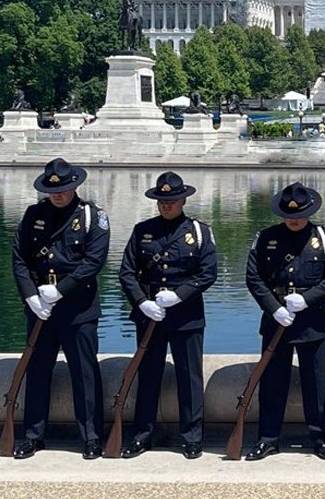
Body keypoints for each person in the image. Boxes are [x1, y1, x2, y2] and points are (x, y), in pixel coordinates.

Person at [11, 157, 110, 459]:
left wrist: (61, 290)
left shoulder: (93, 216)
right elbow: (19, 259)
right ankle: (33, 435)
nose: (58, 194)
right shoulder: (33, 215)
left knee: (85, 373)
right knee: (38, 370)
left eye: (64, 189)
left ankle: (92, 436)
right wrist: (30, 296)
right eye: (53, 190)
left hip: (78, 307)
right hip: (41, 307)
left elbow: (94, 262)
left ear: (75, 185)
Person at [117, 172, 218, 459]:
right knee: (148, 375)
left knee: (190, 377)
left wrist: (179, 294)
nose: (167, 205)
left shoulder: (199, 231)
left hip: (186, 315)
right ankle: (142, 434)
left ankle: (192, 436)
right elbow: (126, 272)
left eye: (172, 200)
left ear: (183, 199)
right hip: (150, 316)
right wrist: (140, 302)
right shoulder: (142, 230)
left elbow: (208, 272)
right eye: (162, 201)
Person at [244, 182, 325, 460]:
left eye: (300, 214)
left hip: (311, 321)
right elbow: (254, 278)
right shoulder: (266, 237)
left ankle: (320, 437)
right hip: (276, 320)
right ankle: (268, 438)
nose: (295, 219)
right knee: (272, 383)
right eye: (289, 215)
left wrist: (308, 299)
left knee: (316, 384)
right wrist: (273, 308)